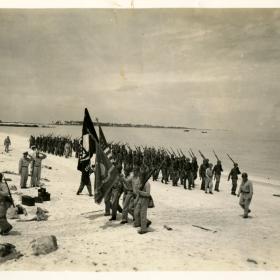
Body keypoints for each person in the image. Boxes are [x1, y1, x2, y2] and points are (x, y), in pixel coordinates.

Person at [134, 170, 152, 234]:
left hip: (145, 199)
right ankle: (141, 223)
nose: (140, 177)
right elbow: (137, 191)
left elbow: (148, 194)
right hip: (140, 198)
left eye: (141, 176)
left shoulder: (147, 184)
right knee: (136, 212)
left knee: (143, 214)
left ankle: (143, 229)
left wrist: (140, 192)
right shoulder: (141, 183)